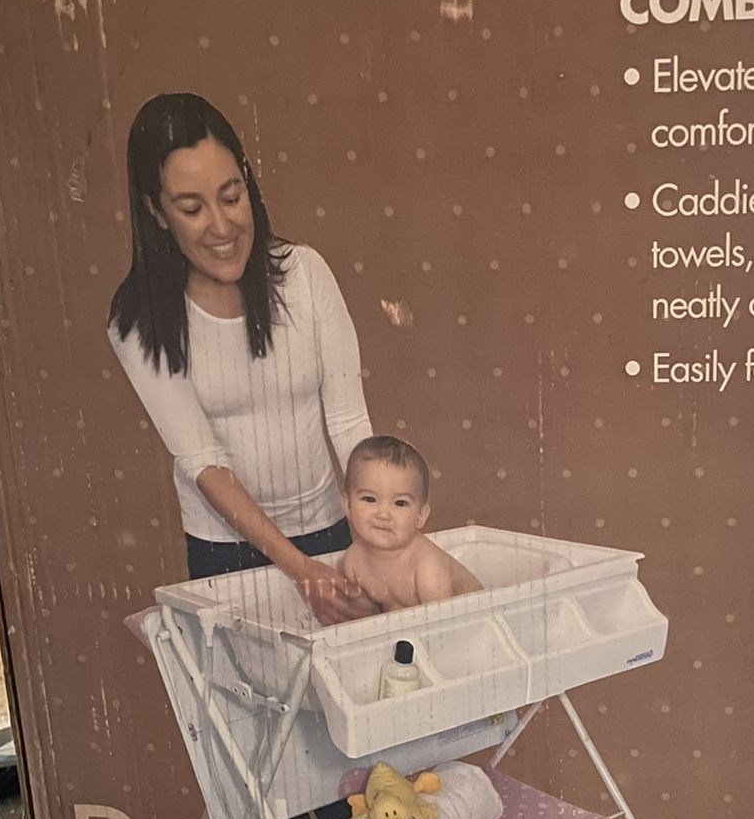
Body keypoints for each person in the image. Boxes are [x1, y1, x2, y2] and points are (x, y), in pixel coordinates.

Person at [107, 92, 374, 619]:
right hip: (223, 552)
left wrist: (383, 529)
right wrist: (298, 569)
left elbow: (349, 422)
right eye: (192, 209)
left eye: (231, 197)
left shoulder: (305, 275)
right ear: (156, 212)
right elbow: (203, 461)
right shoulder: (139, 319)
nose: (221, 226)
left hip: (328, 528)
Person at [339, 435, 482, 611]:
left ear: (421, 515)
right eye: (369, 499)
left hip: (473, 617)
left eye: (400, 503)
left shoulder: (427, 569)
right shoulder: (353, 561)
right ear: (347, 505)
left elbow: (447, 623)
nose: (383, 514)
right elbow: (363, 617)